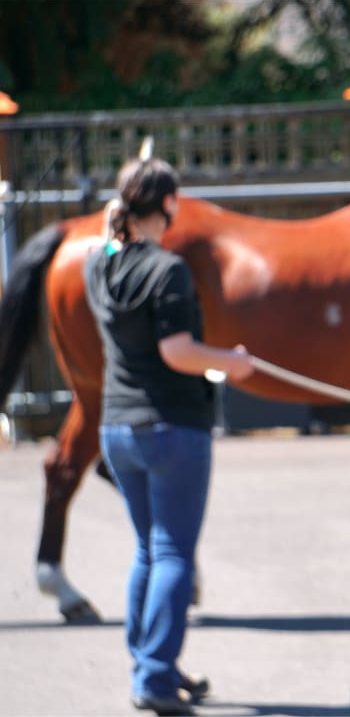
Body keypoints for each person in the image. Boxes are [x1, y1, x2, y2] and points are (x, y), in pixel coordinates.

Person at [84, 156, 254, 716]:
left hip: (118, 429)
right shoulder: (168, 270)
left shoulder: (96, 264)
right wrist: (230, 361)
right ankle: (155, 677)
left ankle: (151, 664)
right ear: (167, 205)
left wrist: (114, 219)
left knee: (147, 550)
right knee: (173, 552)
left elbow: (106, 245)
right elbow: (177, 352)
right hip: (171, 428)